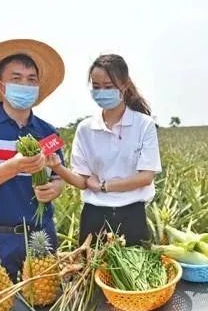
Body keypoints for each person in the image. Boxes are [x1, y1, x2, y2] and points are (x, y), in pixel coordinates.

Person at [0, 39, 65, 282]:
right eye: (16, 79)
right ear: (0, 85)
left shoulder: (49, 132)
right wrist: (15, 165)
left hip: (41, 235)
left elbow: (58, 177)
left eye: (31, 80)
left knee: (45, 308)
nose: (25, 85)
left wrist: (54, 190)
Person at [47, 54, 161, 245]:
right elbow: (82, 181)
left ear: (124, 86)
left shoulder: (143, 124)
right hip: (94, 216)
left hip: (132, 214)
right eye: (96, 86)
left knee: (134, 273)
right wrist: (58, 168)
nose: (101, 92)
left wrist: (103, 186)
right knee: (91, 273)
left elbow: (145, 177)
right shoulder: (85, 128)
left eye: (108, 87)